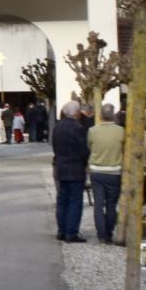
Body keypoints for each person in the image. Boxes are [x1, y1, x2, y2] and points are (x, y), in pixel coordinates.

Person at [50, 101, 89, 243]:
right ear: (76, 112)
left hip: (61, 167)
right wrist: (84, 163)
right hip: (75, 168)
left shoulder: (57, 127)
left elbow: (54, 146)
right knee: (75, 201)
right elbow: (83, 150)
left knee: (62, 200)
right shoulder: (79, 128)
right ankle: (71, 232)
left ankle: (61, 230)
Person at [87, 104, 124, 244]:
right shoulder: (121, 131)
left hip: (96, 170)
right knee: (111, 205)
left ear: (100, 115)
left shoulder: (92, 131)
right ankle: (108, 233)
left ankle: (101, 234)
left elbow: (89, 147)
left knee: (98, 204)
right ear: (113, 115)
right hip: (114, 171)